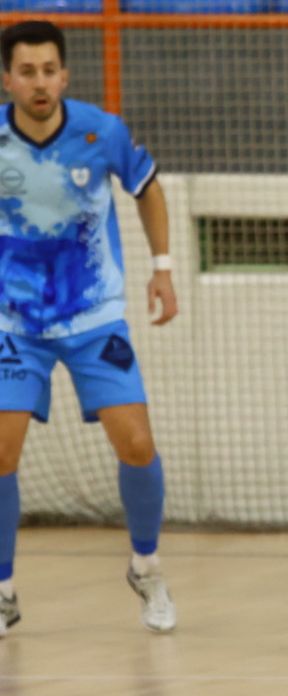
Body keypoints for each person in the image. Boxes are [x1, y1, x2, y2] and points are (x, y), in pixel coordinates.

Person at [0, 19, 179, 637]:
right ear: (8, 78)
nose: (39, 82)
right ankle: (2, 591)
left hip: (94, 315)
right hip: (13, 322)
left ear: (65, 74)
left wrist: (162, 268)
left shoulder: (103, 132)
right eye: (27, 71)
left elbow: (147, 189)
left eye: (49, 70)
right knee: (0, 447)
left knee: (135, 444)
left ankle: (147, 567)